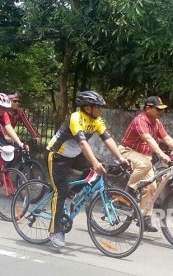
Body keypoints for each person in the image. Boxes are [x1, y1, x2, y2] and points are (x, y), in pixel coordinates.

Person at [46, 90, 129, 248]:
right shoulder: (75, 118)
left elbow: (108, 140)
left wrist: (121, 158)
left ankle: (73, 192)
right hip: (58, 156)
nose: (101, 110)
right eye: (98, 107)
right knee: (60, 191)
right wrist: (94, 163)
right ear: (88, 107)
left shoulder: (97, 121)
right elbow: (83, 144)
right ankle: (55, 231)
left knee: (96, 169)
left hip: (75, 155)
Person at [118, 96, 173, 232]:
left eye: (161, 109)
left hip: (143, 157)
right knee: (145, 164)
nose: (160, 112)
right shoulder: (140, 121)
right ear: (148, 108)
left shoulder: (156, 122)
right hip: (127, 151)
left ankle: (145, 219)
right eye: (157, 109)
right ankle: (126, 194)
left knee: (152, 186)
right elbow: (148, 139)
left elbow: (167, 139)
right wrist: (161, 154)